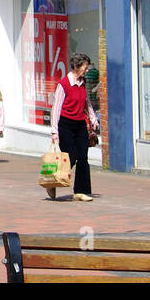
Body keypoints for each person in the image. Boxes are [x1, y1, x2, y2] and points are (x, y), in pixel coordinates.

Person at [50, 53, 100, 201]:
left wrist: (92, 117)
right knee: (71, 157)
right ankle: (53, 182)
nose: (87, 70)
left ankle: (80, 191)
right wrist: (54, 131)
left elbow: (86, 102)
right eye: (85, 67)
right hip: (65, 125)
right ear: (76, 66)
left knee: (83, 158)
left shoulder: (82, 82)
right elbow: (56, 108)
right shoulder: (64, 84)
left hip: (80, 124)